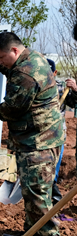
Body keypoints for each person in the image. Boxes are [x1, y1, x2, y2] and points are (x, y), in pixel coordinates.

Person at [0, 31, 64, 236]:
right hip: (34, 138)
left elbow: (15, 107)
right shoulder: (28, 59)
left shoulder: (27, 72)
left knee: (37, 191)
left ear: (14, 51)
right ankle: (32, 234)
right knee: (30, 190)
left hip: (39, 141)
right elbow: (10, 69)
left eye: (0, 57)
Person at [47, 58, 77, 205]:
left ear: (54, 72)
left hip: (57, 134)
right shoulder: (34, 86)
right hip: (39, 135)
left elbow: (72, 103)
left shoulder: (60, 88)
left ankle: (54, 203)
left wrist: (75, 90)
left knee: (54, 170)